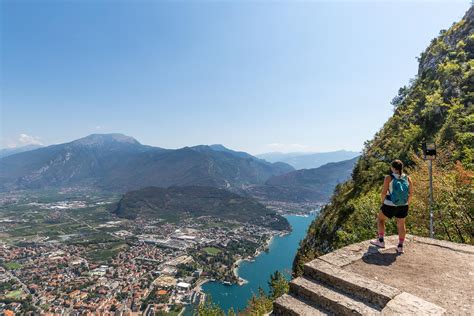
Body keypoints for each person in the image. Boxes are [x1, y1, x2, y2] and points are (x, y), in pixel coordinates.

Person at [370, 159, 412, 254]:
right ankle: (400, 246)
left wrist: (383, 202)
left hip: (390, 204)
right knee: (401, 224)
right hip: (403, 205)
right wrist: (407, 203)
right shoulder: (408, 178)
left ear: (393, 168)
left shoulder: (389, 178)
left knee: (380, 219)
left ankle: (381, 241)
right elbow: (411, 193)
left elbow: (383, 192)